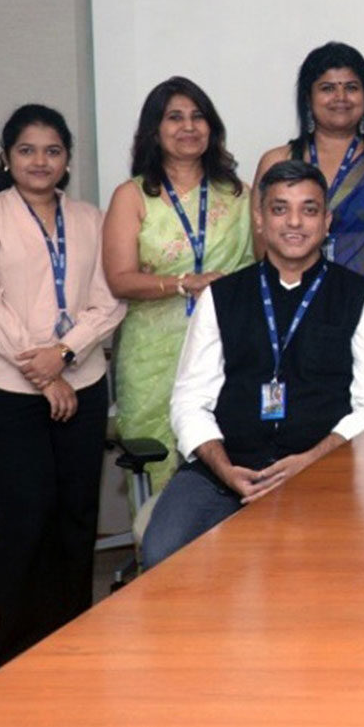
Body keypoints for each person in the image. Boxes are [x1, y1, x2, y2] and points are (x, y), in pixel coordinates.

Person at [142, 159, 364, 568]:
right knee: (163, 552)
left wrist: (311, 461)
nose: (294, 222)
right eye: (280, 209)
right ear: (260, 220)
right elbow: (190, 400)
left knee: (331, 564)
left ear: (327, 221)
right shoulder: (221, 297)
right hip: (226, 474)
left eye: (309, 209)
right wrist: (225, 469)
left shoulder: (360, 297)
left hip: (326, 474)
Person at [0, 104, 127, 667]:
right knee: (22, 517)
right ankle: (19, 653)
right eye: (27, 150)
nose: (40, 161)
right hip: (1, 385)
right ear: (6, 158)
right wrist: (42, 371)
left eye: (52, 150)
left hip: (82, 376)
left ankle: (72, 639)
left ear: (67, 160)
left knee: (75, 515)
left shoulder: (91, 219)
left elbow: (109, 301)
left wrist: (66, 355)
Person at [254, 41, 364, 418]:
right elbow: (263, 249)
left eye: (351, 87)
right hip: (293, 319)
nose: (340, 97)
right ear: (308, 97)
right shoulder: (278, 160)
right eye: (327, 87)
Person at [103, 77, 254, 492]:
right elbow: (119, 278)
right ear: (154, 130)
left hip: (226, 348)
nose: (188, 126)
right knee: (157, 463)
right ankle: (155, 553)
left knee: (227, 459)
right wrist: (185, 283)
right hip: (153, 354)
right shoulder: (131, 196)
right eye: (175, 117)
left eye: (198, 116)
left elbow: (264, 270)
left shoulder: (241, 196)